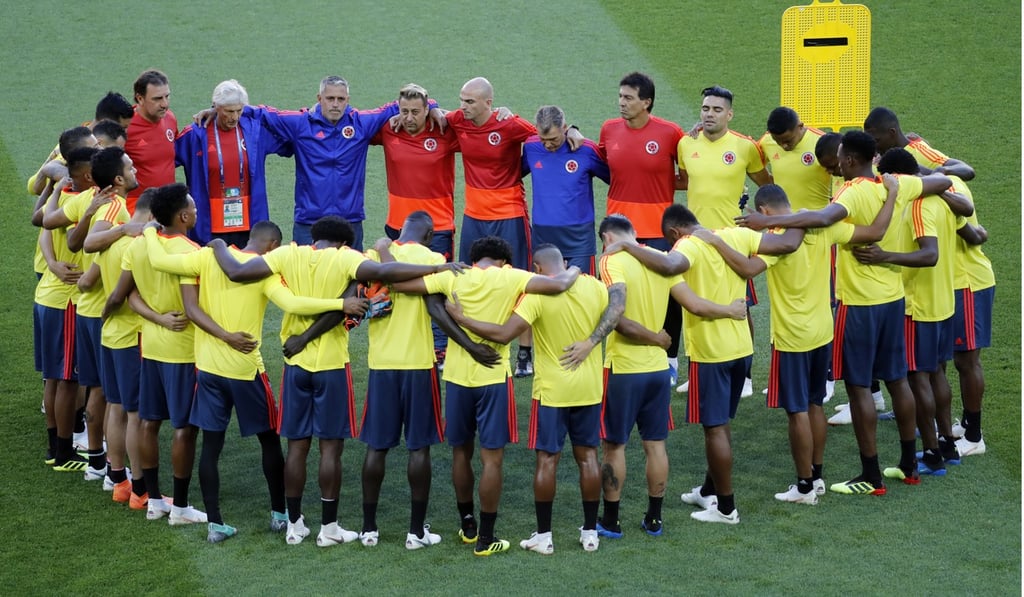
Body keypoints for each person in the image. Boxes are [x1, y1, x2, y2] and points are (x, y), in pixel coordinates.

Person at [207, 214, 468, 546]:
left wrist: (218, 244)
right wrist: (437, 268)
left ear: (314, 236)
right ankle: (333, 529)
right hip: (337, 364)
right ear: (344, 242)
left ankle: (298, 526)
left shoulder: (288, 254)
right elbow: (382, 279)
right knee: (334, 448)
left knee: (298, 447)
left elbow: (236, 271)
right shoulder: (350, 258)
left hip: (296, 363)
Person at [735, 131, 952, 495]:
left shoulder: (851, 192)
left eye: (838, 158)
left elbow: (823, 218)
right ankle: (910, 464)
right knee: (898, 380)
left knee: (859, 387)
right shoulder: (895, 183)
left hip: (860, 303)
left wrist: (766, 222)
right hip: (893, 297)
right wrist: (898, 188)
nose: (835, 164)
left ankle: (871, 475)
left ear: (850, 160)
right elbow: (943, 180)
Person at [142, 219, 362, 544]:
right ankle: (280, 515)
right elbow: (293, 305)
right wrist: (340, 304)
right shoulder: (264, 272)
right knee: (270, 440)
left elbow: (159, 260)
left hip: (208, 368)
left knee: (211, 446)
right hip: (246, 369)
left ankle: (216, 524)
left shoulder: (206, 256)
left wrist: (149, 229)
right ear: (272, 245)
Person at [694, 180, 900, 504]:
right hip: (823, 331)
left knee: (797, 411)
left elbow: (748, 269)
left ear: (764, 211)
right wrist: (892, 195)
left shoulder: (776, 237)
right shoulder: (823, 227)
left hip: (792, 337)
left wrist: (715, 241)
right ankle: (816, 477)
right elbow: (874, 232)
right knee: (816, 404)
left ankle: (804, 487)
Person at [390, 236, 580, 557]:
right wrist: (574, 268)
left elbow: (399, 284)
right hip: (493, 378)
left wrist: (433, 269)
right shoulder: (511, 276)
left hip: (457, 378)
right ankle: (486, 538)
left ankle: (468, 525)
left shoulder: (453, 275)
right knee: (492, 460)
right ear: (503, 260)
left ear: (474, 257)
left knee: (460, 454)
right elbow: (559, 284)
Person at [604, 206, 790, 525]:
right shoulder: (734, 235)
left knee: (714, 429)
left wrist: (627, 246)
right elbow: (786, 243)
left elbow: (676, 275)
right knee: (721, 425)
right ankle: (707, 490)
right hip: (742, 349)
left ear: (675, 232)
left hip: (710, 352)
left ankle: (726, 508)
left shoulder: (686, 246)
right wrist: (796, 217)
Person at [445, 244, 620, 554]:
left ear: (537, 269)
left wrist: (463, 319)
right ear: (563, 262)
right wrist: (592, 342)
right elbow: (616, 313)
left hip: (551, 391)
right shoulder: (594, 286)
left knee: (547, 460)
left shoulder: (536, 295)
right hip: (589, 388)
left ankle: (544, 536)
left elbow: (503, 334)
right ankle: (590, 533)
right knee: (588, 458)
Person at [857, 148, 981, 474]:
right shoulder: (943, 201)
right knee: (937, 372)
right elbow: (968, 225)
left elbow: (930, 254)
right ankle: (948, 444)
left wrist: (884, 256)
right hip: (943, 301)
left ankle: (931, 453)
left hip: (918, 304)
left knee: (917, 378)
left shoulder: (916, 206)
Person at [446, 77, 576, 378]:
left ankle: (524, 354)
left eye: (470, 101)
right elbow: (434, 113)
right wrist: (436, 109)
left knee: (521, 282)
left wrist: (574, 130)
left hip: (509, 213)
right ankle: (468, 342)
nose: (463, 106)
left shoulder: (510, 124)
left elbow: (547, 135)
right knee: (465, 277)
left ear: (488, 103)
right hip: (473, 215)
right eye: (462, 100)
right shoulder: (457, 120)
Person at [235, 76, 440, 249]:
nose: (335, 104)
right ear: (319, 99)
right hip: (309, 221)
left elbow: (404, 104)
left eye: (340, 99)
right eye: (330, 98)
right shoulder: (300, 123)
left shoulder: (361, 123)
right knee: (306, 277)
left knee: (353, 279)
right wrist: (226, 109)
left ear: (347, 100)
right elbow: (263, 114)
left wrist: (432, 107)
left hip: (349, 222)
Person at [103, 183, 202, 522]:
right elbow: (197, 306)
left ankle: (155, 500)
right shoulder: (191, 252)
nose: (197, 211)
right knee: (184, 428)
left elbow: (128, 295)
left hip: (150, 347)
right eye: (193, 208)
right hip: (183, 350)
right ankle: (181, 507)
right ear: (183, 216)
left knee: (148, 422)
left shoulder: (139, 245)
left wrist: (156, 318)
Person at [677, 85, 771, 398]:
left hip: (732, 242)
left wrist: (758, 216)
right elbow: (686, 180)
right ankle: (697, 370)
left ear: (729, 114)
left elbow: (767, 185)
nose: (710, 114)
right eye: (706, 108)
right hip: (695, 241)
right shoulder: (686, 143)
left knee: (741, 306)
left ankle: (745, 377)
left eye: (717, 110)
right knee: (694, 304)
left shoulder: (745, 147)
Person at [58, 147, 138, 482]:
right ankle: (113, 469)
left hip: (90, 307)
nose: (135, 170)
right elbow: (90, 244)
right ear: (118, 179)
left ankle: (97, 462)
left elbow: (55, 226)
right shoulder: (115, 206)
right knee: (111, 396)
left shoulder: (99, 201)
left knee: (97, 390)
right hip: (102, 313)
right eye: (130, 167)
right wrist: (124, 230)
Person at [599, 72, 684, 384]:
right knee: (618, 293)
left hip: (658, 230)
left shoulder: (670, 133)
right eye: (620, 96)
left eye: (629, 98)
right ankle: (620, 355)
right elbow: (603, 164)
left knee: (668, 296)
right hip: (617, 230)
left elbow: (687, 176)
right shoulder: (609, 129)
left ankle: (669, 358)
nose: (622, 103)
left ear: (646, 102)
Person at [371, 83, 460, 366]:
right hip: (397, 226)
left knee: (437, 286)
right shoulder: (388, 129)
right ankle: (401, 342)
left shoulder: (444, 130)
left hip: (437, 227)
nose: (409, 118)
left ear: (426, 110)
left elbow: (477, 127)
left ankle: (439, 346)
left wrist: (435, 107)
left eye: (416, 112)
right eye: (404, 111)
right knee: (396, 287)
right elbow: (357, 123)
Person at [89, 189, 158, 505]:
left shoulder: (110, 240)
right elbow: (128, 295)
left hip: (110, 335)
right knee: (135, 415)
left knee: (115, 407)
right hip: (132, 337)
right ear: (153, 215)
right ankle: (140, 490)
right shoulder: (138, 245)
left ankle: (118, 480)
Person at [33, 145, 97, 471]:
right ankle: (63, 452)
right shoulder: (83, 201)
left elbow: (43, 225)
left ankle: (54, 448)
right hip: (68, 300)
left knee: (54, 378)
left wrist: (51, 263)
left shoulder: (63, 195)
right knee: (68, 381)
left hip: (48, 294)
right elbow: (75, 240)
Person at [176, 79, 293, 246]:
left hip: (249, 226)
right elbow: (165, 160)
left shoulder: (254, 132)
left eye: (239, 110)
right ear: (215, 107)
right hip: (207, 226)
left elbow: (290, 142)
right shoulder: (195, 135)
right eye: (229, 111)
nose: (235, 117)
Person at [523, 106, 609, 275]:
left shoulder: (586, 150)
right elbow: (513, 173)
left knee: (582, 288)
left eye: (553, 139)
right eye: (543, 139)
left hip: (578, 237)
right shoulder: (531, 147)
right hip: (543, 237)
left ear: (564, 128)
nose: (548, 144)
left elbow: (614, 179)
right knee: (546, 288)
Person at [947, 178, 994, 457]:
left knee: (967, 360)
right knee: (960, 359)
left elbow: (973, 234)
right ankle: (966, 425)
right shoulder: (947, 178)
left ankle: (975, 437)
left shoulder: (943, 193)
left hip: (967, 283)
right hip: (958, 283)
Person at [862, 107, 975, 180]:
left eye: (876, 141)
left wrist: (938, 172)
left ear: (892, 133)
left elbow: (967, 170)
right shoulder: (880, 154)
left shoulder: (919, 152)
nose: (873, 147)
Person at [125, 70, 177, 213]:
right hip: (137, 209)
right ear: (140, 98)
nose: (165, 104)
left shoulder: (170, 118)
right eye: (157, 99)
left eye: (167, 96)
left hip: (167, 206)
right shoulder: (125, 126)